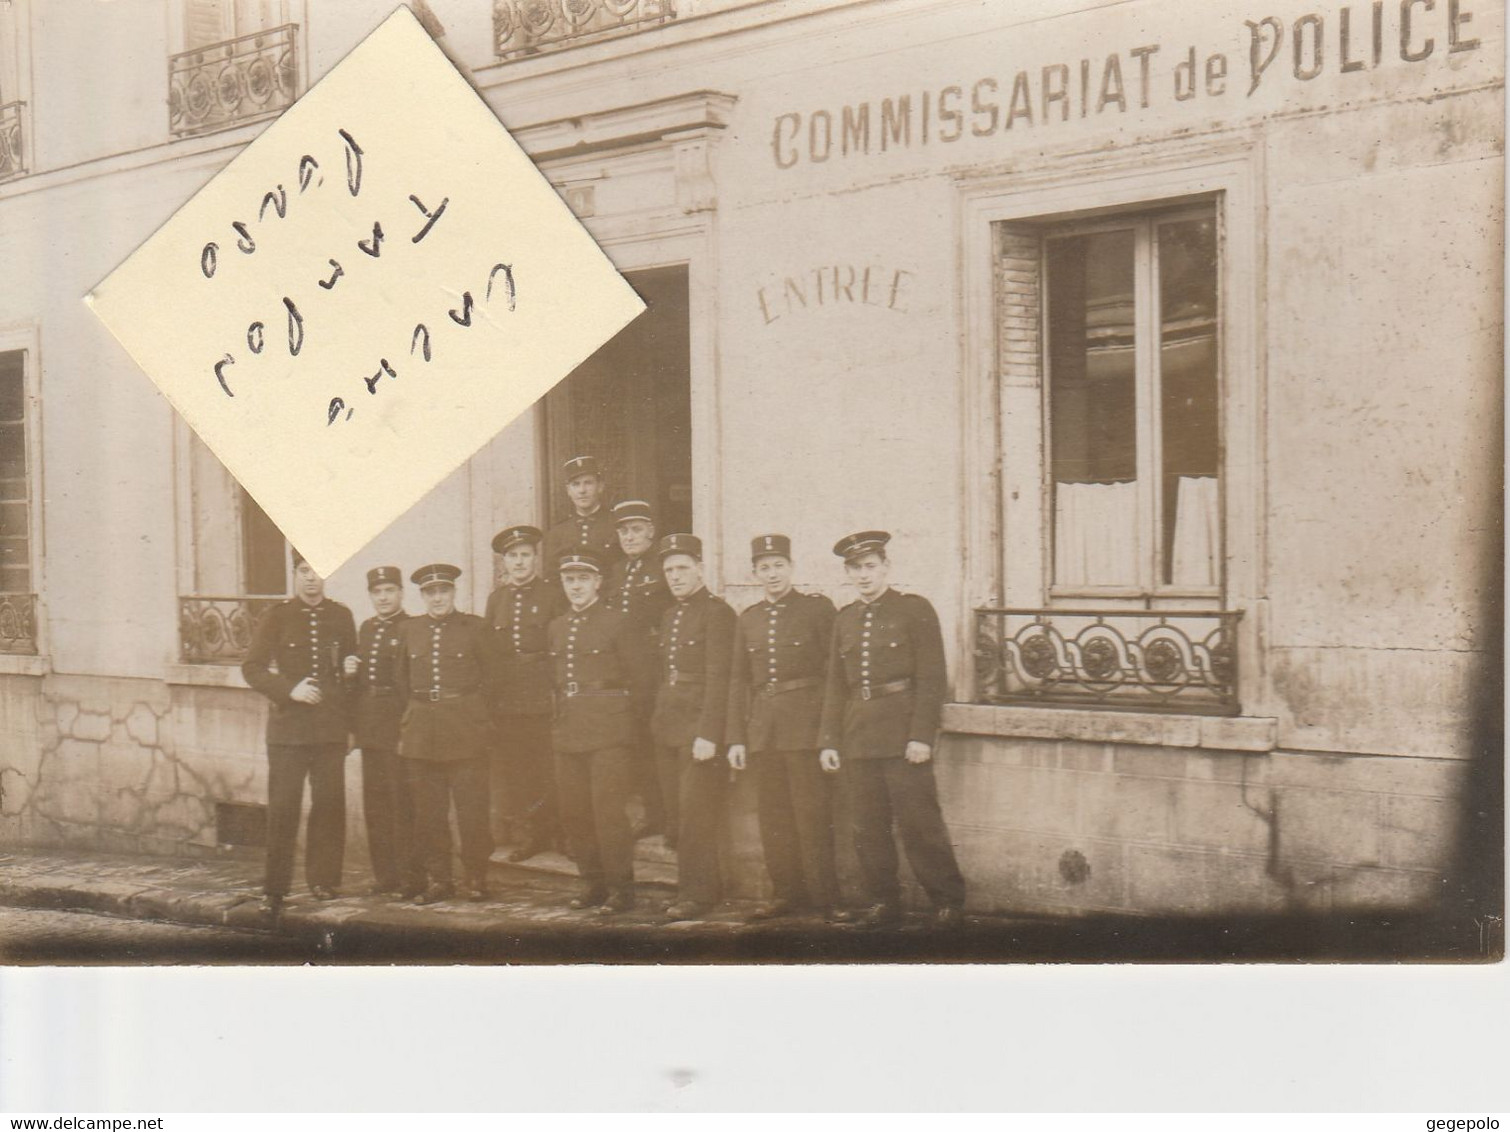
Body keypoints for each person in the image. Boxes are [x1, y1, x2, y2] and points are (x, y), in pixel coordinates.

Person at [818, 531, 967, 929]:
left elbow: (932, 677)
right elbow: (836, 684)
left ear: (886, 567)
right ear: (847, 573)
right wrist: (829, 740)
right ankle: (884, 901)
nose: (863, 575)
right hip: (858, 736)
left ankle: (947, 900)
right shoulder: (844, 618)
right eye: (855, 568)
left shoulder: (914, 609)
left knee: (919, 823)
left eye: (870, 566)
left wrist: (921, 736)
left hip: (903, 736)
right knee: (867, 827)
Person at [726, 535, 847, 923]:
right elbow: (738, 682)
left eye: (778, 565)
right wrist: (736, 738)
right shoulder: (749, 619)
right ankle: (786, 893)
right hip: (764, 732)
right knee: (773, 817)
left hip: (805, 727)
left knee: (812, 814)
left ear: (791, 568)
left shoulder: (816, 610)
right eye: (764, 567)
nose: (772, 574)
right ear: (755, 573)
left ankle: (828, 898)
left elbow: (833, 674)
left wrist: (829, 731)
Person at [241, 548, 357, 914]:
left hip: (329, 730)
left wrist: (350, 721)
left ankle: (324, 880)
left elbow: (349, 678)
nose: (311, 578)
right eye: (304, 570)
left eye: (318, 570)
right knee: (284, 808)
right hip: (288, 731)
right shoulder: (277, 617)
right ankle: (275, 887)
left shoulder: (342, 616)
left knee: (329, 806)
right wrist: (289, 690)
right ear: (294, 574)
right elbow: (252, 668)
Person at [394, 563, 495, 904]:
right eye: (430, 592)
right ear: (422, 596)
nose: (437, 598)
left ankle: (476, 877)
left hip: (466, 731)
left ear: (454, 592)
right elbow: (402, 680)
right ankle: (439, 879)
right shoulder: (410, 630)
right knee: (429, 813)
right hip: (422, 733)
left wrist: (480, 721)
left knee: (472, 811)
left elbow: (495, 680)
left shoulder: (475, 628)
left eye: (443, 591)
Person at [548, 550, 640, 914]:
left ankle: (621, 888)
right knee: (575, 811)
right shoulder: (557, 626)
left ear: (598, 582)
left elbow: (641, 678)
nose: (576, 587)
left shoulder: (619, 621)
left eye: (583, 579)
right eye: (569, 579)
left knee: (607, 811)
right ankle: (593, 882)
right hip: (569, 727)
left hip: (610, 728)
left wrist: (627, 725)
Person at [650, 533, 736, 921]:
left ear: (700, 568)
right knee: (677, 813)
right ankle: (695, 887)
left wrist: (709, 733)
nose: (675, 576)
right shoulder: (671, 614)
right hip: (669, 724)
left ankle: (697, 895)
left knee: (695, 812)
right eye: (669, 570)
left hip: (698, 729)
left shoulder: (717, 613)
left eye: (683, 567)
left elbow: (721, 677)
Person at [482, 524, 565, 863]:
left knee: (549, 766)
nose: (519, 562)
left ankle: (559, 833)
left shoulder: (552, 594)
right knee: (518, 769)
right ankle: (530, 834)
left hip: (542, 692)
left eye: (525, 555)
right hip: (508, 696)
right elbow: (489, 650)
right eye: (513, 556)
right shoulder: (496, 599)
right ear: (504, 562)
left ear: (535, 557)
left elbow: (560, 644)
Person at [343, 565, 420, 898]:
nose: (384, 597)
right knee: (375, 804)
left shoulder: (413, 627)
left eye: (390, 590)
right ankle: (385, 875)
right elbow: (361, 683)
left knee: (402, 803)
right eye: (377, 592)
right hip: (370, 725)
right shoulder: (367, 628)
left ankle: (409, 877)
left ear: (401, 593)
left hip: (398, 723)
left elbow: (413, 682)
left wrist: (408, 726)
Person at [604, 498, 673, 841]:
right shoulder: (617, 571)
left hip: (654, 668)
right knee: (636, 744)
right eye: (624, 531)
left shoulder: (663, 567)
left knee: (657, 742)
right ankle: (651, 813)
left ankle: (668, 817)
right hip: (625, 670)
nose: (629, 537)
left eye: (636, 530)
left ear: (651, 532)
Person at [541, 455, 622, 580]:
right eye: (576, 484)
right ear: (568, 490)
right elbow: (552, 578)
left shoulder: (616, 524)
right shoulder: (558, 532)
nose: (582, 490)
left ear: (600, 486)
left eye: (588, 483)